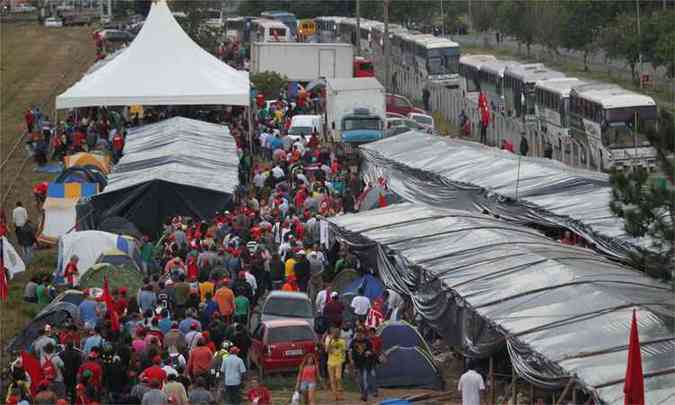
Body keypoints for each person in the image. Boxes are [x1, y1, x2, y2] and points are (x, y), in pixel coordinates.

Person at [349, 328, 377, 402]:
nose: (359, 336)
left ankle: (365, 395)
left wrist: (369, 352)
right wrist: (351, 359)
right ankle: (362, 393)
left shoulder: (368, 341)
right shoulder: (354, 341)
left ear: (364, 334)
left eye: (361, 334)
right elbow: (350, 350)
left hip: (366, 363)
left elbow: (372, 351)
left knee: (365, 379)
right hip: (357, 363)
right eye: (358, 334)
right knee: (360, 380)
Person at [325, 327, 347, 401]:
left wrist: (343, 360)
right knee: (332, 380)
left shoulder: (342, 341)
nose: (336, 334)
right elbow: (327, 350)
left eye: (337, 333)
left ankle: (340, 393)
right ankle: (335, 395)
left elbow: (344, 351)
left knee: (338, 377)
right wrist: (331, 340)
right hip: (330, 362)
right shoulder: (329, 340)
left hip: (338, 362)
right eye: (334, 333)